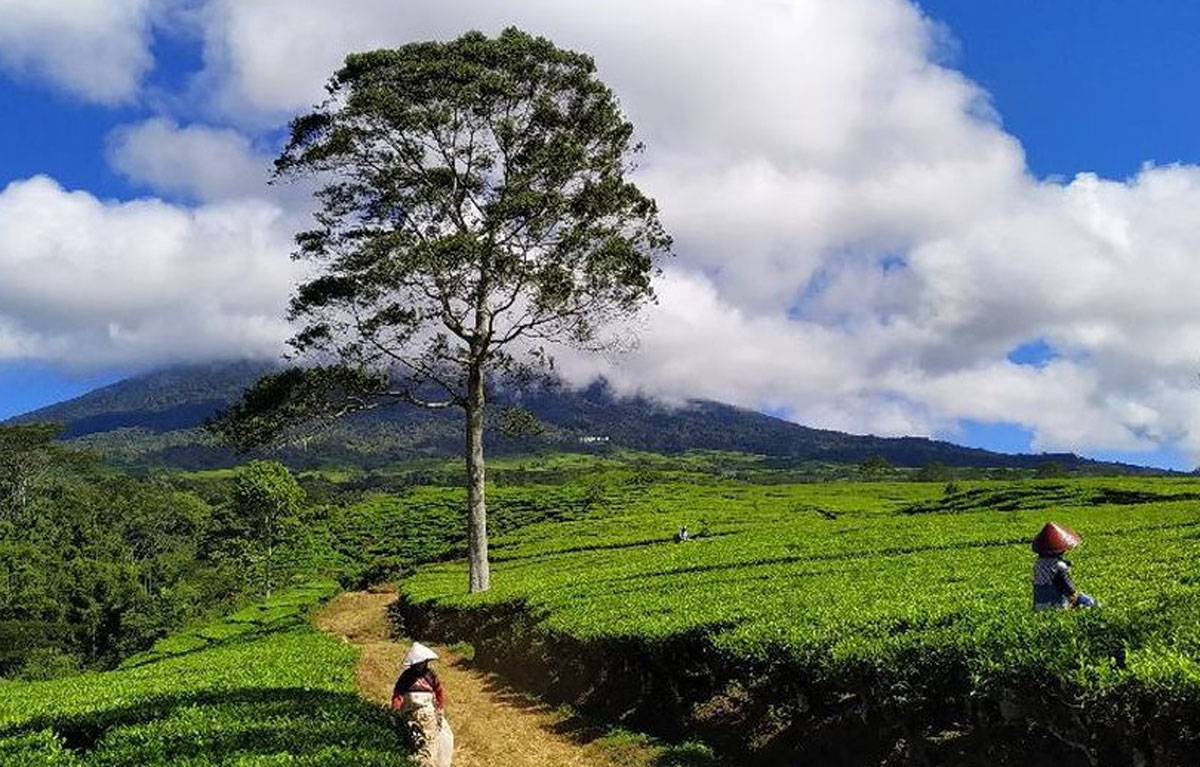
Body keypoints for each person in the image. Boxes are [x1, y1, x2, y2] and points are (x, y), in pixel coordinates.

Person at [392, 642, 453, 767]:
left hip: (426, 712)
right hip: (409, 712)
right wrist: (396, 709)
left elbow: (439, 691)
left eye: (422, 662)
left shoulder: (430, 675)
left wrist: (440, 707)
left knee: (430, 742)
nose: (420, 665)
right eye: (418, 663)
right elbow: (398, 694)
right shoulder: (406, 676)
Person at [1031, 521, 1097, 611]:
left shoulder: (1038, 564)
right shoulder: (1059, 565)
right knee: (1086, 601)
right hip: (1056, 604)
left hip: (1039, 603)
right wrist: (1074, 595)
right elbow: (1067, 585)